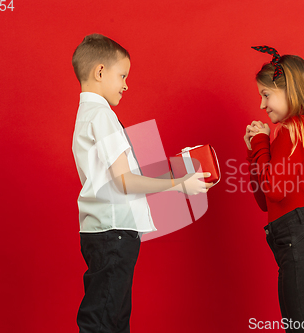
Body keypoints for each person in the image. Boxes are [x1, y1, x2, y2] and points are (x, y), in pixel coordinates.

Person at [71, 33, 212, 333]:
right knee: (104, 322)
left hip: (105, 232)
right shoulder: (103, 115)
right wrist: (180, 186)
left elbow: (122, 175)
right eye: (122, 75)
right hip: (115, 233)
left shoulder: (87, 115)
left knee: (114, 319)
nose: (125, 84)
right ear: (100, 72)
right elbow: (125, 182)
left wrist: (178, 171)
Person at [244, 46, 304, 333]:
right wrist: (255, 150)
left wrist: (262, 143)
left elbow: (272, 189)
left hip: (303, 242)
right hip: (295, 243)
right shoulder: (294, 132)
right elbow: (265, 200)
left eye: (266, 95)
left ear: (290, 92)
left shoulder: (294, 130)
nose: (262, 105)